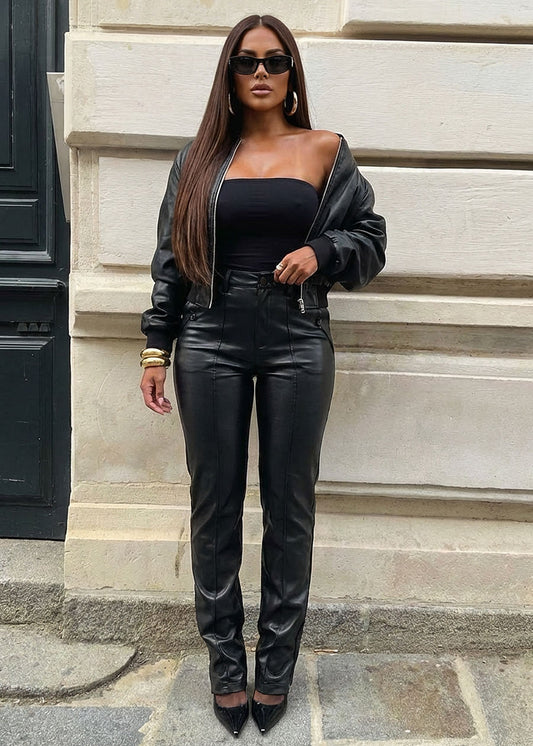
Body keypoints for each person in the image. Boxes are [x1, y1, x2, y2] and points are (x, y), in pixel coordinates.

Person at [140, 14, 386, 738]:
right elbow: (170, 258)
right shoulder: (198, 159)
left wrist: (323, 251)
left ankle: (275, 667)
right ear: (228, 73)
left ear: (291, 72)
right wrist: (155, 347)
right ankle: (225, 666)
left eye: (275, 61)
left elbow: (370, 237)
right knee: (213, 505)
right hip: (209, 335)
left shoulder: (326, 150)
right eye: (246, 61)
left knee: (290, 506)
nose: (260, 72)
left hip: (297, 335)